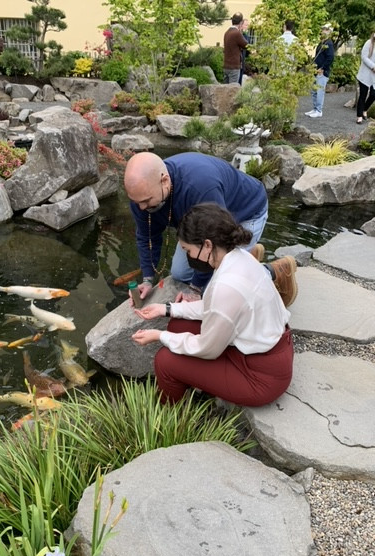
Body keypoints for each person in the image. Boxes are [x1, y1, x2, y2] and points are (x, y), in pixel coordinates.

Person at [131, 203, 294, 405]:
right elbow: (214, 307)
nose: (188, 257)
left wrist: (159, 336)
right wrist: (167, 309)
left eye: (188, 250)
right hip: (260, 349)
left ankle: (167, 416)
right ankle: (192, 385)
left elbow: (208, 348)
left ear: (207, 245)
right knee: (178, 325)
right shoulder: (237, 256)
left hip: (260, 376)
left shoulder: (227, 287)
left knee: (165, 361)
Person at [123, 151, 298, 307]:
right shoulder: (141, 195)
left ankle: (276, 270)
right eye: (136, 201)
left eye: (146, 201)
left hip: (246, 213)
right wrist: (147, 279)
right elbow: (147, 237)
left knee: (221, 284)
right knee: (180, 273)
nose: (141, 208)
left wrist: (196, 288)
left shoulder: (200, 187)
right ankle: (247, 253)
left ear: (165, 181)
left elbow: (215, 240)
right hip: (200, 226)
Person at [305, 24, 335, 119]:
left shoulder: (329, 43)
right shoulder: (321, 43)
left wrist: (322, 68)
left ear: (329, 32)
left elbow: (330, 58)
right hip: (316, 70)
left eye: (326, 29)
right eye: (323, 29)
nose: (323, 31)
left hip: (322, 71)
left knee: (319, 91)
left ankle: (319, 110)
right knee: (314, 91)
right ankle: (315, 108)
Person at [356, 29, 375, 124]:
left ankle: (364, 109)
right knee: (363, 95)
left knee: (373, 95)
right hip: (365, 74)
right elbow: (364, 57)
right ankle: (359, 116)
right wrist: (373, 66)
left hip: (374, 77)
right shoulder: (369, 43)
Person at [223, 12, 248, 85]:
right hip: (234, 66)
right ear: (240, 23)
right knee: (232, 90)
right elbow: (246, 45)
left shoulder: (227, 32)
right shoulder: (237, 33)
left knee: (225, 88)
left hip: (226, 65)